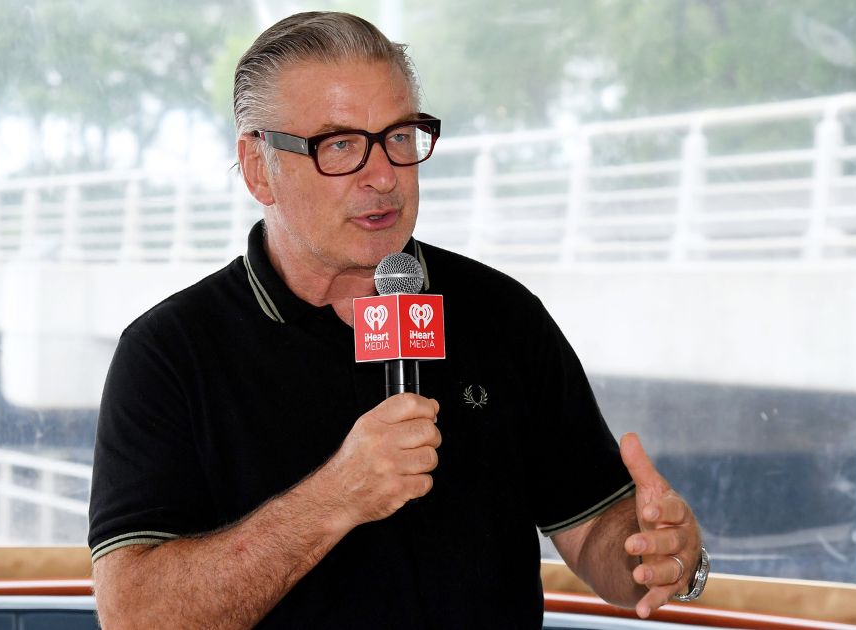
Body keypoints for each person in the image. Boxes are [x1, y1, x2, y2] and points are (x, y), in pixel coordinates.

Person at [88, 11, 706, 629]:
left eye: (400, 137)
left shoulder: (502, 315)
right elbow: (134, 616)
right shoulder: (169, 352)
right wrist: (335, 498)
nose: (383, 176)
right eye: (341, 146)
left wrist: (650, 551)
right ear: (258, 168)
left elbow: (595, 528)